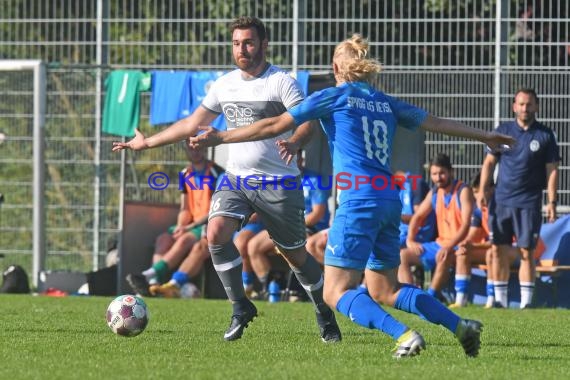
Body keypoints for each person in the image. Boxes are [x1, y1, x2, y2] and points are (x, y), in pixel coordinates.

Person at [189, 34, 515, 357]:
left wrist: (223, 136)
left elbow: (274, 125)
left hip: (358, 200)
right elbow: (436, 122)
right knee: (385, 288)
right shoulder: (384, 101)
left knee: (335, 292)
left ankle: (404, 336)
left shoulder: (334, 96)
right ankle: (460, 326)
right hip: (388, 199)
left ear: (336, 67)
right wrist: (485, 135)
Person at [113, 16, 341, 343]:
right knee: (215, 232)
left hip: (279, 184)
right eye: (236, 43)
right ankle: (240, 306)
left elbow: (308, 125)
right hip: (237, 181)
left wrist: (295, 142)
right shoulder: (225, 84)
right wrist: (147, 142)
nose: (242, 49)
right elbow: (193, 122)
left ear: (264, 44)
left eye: (248, 42)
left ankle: (322, 308)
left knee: (296, 258)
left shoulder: (282, 82)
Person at [478, 88, 560, 309]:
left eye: (529, 104)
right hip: (502, 201)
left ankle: (526, 304)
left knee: (527, 251)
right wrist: (482, 190)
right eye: (521, 104)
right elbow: (489, 162)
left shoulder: (545, 135)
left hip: (529, 202)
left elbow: (552, 170)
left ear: (537, 107)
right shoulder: (503, 131)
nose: (525, 108)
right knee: (498, 250)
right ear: (514, 106)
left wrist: (551, 202)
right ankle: (501, 302)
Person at [126, 142, 223, 296]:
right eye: (191, 148)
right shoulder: (185, 174)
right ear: (186, 150)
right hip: (190, 225)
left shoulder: (217, 173)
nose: (195, 151)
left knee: (184, 240)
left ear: (205, 148)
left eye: (198, 147)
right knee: (163, 239)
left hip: (207, 224)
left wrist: (188, 228)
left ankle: (149, 276)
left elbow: (215, 210)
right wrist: (180, 226)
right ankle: (153, 286)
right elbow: (184, 208)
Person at [246, 150, 330, 297]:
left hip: (310, 227)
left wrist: (291, 225)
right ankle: (271, 288)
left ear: (300, 158)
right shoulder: (280, 180)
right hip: (284, 227)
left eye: (294, 155)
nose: (290, 159)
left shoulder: (315, 180)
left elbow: (318, 214)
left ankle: (306, 289)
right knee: (253, 246)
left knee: (294, 247)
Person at [399, 154, 474, 302]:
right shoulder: (434, 192)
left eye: (442, 173)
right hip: (440, 244)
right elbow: (417, 217)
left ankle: (431, 298)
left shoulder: (463, 190)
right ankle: (411, 299)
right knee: (403, 255)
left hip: (459, 244)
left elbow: (466, 224)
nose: (438, 177)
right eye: (434, 174)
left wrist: (449, 247)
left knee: (445, 255)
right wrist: (410, 240)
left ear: (451, 172)